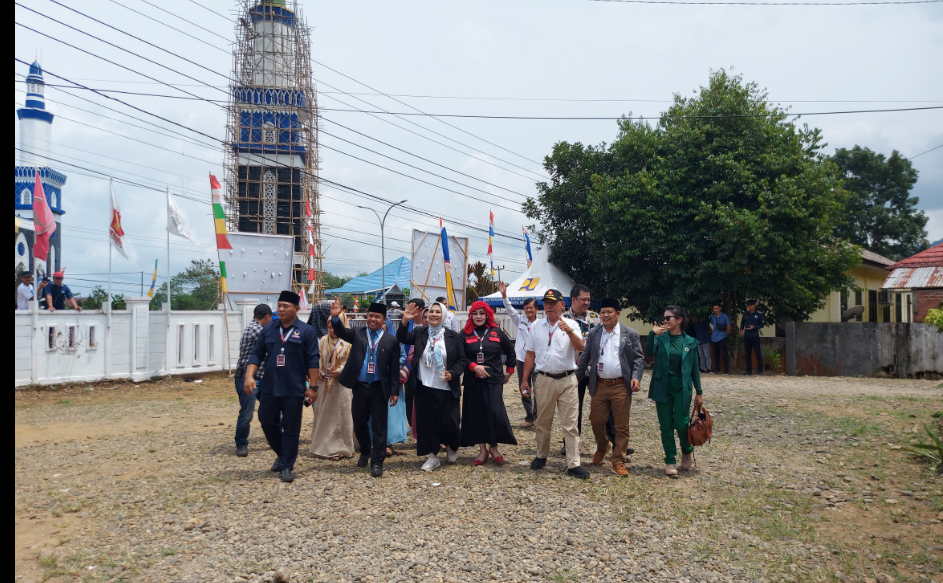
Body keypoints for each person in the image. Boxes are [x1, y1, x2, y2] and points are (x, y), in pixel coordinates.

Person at [244, 291, 320, 483]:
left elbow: (313, 360)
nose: (281, 309)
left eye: (286, 306)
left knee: (291, 428)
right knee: (266, 421)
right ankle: (282, 452)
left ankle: (287, 465)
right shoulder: (269, 330)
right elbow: (256, 354)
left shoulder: (306, 331)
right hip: (270, 386)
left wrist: (313, 387)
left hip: (294, 389)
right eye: (279, 305)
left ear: (297, 309)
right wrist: (249, 375)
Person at [520, 289, 589, 480]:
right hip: (543, 379)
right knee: (543, 421)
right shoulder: (536, 326)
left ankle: (573, 463)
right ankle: (541, 455)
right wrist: (524, 379)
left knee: (570, 424)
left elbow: (580, 347)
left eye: (553, 302)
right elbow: (530, 354)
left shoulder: (572, 324)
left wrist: (568, 331)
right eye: (546, 303)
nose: (548, 306)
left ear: (562, 305)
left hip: (567, 379)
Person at [330, 299, 401, 478]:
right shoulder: (358, 333)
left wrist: (394, 391)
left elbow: (394, 369)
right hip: (360, 388)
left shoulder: (391, 341)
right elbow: (340, 332)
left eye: (377, 317)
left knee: (379, 427)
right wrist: (335, 317)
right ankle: (364, 451)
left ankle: (377, 462)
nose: (373, 319)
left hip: (379, 388)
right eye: (370, 316)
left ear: (384, 319)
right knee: (360, 423)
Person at [576, 299, 645, 477]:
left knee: (621, 426)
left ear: (617, 313)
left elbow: (638, 359)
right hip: (599, 384)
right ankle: (602, 445)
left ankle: (618, 460)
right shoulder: (594, 333)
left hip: (621, 386)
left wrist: (636, 377)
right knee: (596, 420)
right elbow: (584, 357)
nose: (605, 315)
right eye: (603, 312)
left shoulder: (630, 334)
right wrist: (577, 377)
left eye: (609, 312)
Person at [397, 302, 467, 471]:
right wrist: (405, 321)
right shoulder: (420, 333)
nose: (434, 314)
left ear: (443, 315)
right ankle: (432, 455)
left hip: (446, 387)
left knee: (450, 421)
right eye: (431, 312)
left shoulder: (453, 336)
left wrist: (454, 372)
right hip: (424, 386)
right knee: (428, 423)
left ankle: (451, 446)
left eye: (438, 312)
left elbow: (462, 360)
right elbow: (402, 338)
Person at [646, 306, 704, 477]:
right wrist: (651, 334)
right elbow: (649, 354)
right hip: (662, 386)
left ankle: (686, 449)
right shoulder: (660, 338)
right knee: (666, 426)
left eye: (668, 318)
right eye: (664, 318)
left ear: (679, 320)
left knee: (681, 423)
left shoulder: (690, 342)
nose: (665, 321)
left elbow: (694, 370)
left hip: (682, 388)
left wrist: (699, 392)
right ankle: (670, 459)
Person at [461, 301, 518, 465]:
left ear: (487, 315)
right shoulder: (465, 333)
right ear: (471, 315)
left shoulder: (497, 332)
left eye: (481, 313)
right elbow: (460, 356)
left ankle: (494, 447)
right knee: (477, 414)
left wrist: (509, 372)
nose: (478, 317)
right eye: (475, 313)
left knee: (494, 412)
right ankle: (483, 450)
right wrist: (473, 366)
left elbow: (510, 352)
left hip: (493, 380)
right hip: (473, 381)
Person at [563, 284, 614, 457]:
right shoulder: (563, 319)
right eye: (583, 299)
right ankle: (570, 444)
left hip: (596, 371)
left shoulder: (595, 317)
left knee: (604, 408)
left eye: (588, 299)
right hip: (573, 370)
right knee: (572, 408)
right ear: (573, 299)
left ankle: (612, 442)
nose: (586, 302)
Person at [309, 313, 356, 460]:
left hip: (343, 384)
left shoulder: (350, 341)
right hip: (325, 382)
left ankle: (341, 446)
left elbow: (352, 360)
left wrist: (340, 370)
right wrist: (321, 371)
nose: (332, 330)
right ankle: (323, 444)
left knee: (342, 413)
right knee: (325, 412)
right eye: (329, 327)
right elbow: (317, 358)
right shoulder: (322, 340)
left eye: (335, 327)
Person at [233, 303, 273, 458]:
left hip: (260, 377)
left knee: (269, 410)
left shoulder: (253, 328)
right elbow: (273, 343)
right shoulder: (257, 330)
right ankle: (241, 444)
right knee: (247, 413)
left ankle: (274, 437)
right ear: (267, 316)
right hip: (248, 377)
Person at [499, 281, 539, 428]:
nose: (528, 310)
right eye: (526, 308)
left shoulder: (541, 324)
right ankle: (529, 417)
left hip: (538, 361)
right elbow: (509, 309)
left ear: (536, 310)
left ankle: (537, 416)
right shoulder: (520, 320)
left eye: (531, 308)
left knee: (539, 389)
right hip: (522, 359)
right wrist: (504, 296)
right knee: (525, 387)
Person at [400, 298, 426, 428]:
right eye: (408, 308)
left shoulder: (429, 324)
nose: (409, 311)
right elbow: (400, 339)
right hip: (409, 367)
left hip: (425, 367)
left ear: (420, 310)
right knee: (409, 396)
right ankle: (412, 424)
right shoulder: (407, 324)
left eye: (412, 308)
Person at [740, 300, 765, 375]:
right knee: (747, 353)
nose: (750, 307)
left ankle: (760, 370)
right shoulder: (745, 314)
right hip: (747, 336)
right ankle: (748, 370)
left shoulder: (758, 315)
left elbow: (761, 325)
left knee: (758, 353)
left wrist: (754, 327)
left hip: (755, 336)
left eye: (751, 305)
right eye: (748, 305)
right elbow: (742, 323)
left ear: (755, 305)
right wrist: (741, 330)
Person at [709, 304, 731, 375]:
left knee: (724, 353)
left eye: (717, 308)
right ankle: (717, 369)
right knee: (716, 353)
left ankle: (726, 369)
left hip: (722, 336)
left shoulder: (724, 316)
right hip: (714, 337)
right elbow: (713, 325)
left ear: (720, 308)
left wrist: (726, 334)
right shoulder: (713, 317)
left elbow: (728, 326)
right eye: (714, 308)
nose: (715, 310)